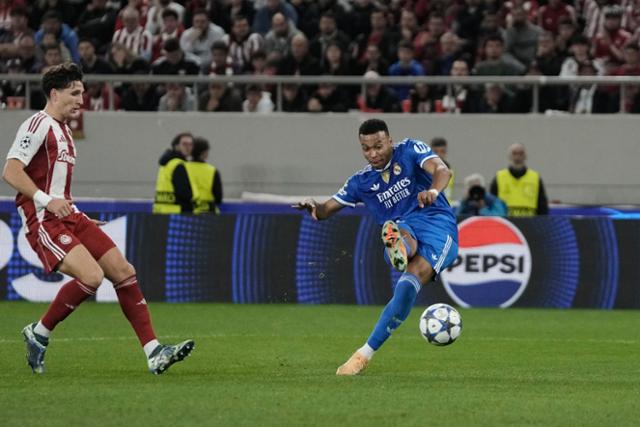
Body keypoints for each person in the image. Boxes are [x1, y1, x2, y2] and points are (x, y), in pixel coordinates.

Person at [1, 63, 194, 375]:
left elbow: (58, 189)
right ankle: (39, 332)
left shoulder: (65, 131)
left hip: (70, 217)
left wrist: (79, 215)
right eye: (74, 93)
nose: (81, 99)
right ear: (54, 94)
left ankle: (154, 352)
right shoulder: (37, 124)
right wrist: (48, 201)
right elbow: (10, 171)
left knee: (123, 271)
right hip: (43, 219)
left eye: (82, 93)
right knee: (91, 277)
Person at [293, 119, 458, 376]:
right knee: (403, 259)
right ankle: (362, 356)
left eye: (378, 146)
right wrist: (315, 207)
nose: (373, 153)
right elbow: (326, 210)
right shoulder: (361, 182)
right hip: (404, 226)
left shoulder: (410, 150)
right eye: (366, 148)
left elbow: (441, 169)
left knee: (407, 283)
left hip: (436, 224)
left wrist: (434, 191)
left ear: (390, 141)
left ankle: (398, 250)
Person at [490, 143, 549, 216]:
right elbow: (491, 203)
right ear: (509, 156)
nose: (517, 157)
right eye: (514, 153)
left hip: (529, 221)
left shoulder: (535, 178)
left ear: (525, 156)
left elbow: (542, 205)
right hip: (506, 221)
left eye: (521, 154)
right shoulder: (499, 177)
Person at [153, 131, 194, 213]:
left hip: (160, 211)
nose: (188, 147)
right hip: (176, 212)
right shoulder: (178, 165)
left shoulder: (165, 163)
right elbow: (184, 193)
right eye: (184, 144)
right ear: (176, 146)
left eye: (190, 144)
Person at [185, 137, 223, 214]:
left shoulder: (183, 168)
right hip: (209, 213)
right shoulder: (212, 171)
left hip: (187, 212)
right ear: (205, 152)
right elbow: (218, 198)